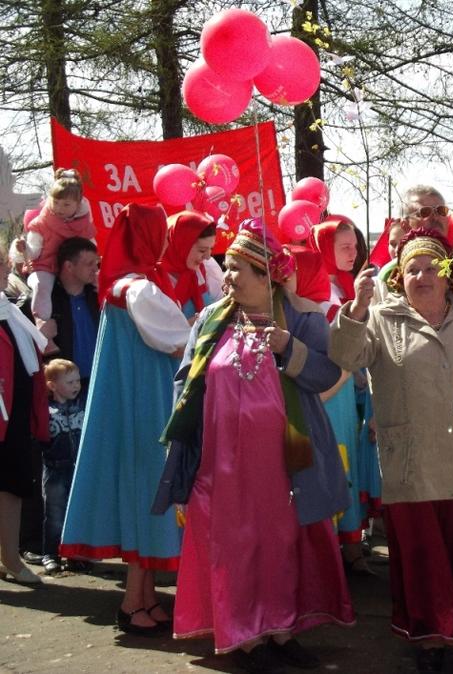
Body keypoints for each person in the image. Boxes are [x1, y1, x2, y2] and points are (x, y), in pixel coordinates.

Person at [154, 218, 354, 672]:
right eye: (225, 266)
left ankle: (281, 632)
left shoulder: (302, 317)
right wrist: (181, 444)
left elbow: (327, 374)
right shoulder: (209, 318)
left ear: (267, 277)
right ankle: (246, 637)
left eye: (237, 268)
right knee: (236, 546)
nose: (226, 277)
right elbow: (186, 381)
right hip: (220, 463)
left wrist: (290, 349)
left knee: (282, 544)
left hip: (286, 463)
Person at [330, 228, 453, 672]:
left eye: (430, 268)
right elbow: (344, 356)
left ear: (450, 274)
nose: (422, 276)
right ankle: (428, 637)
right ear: (398, 277)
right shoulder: (381, 318)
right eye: (411, 269)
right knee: (422, 557)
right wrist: (358, 307)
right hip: (411, 462)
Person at [60, 203, 193, 636]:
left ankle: (144, 598)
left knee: (144, 498)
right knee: (147, 498)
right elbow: (179, 342)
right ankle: (133, 601)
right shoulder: (139, 289)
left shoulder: (124, 285)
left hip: (131, 400)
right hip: (146, 402)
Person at [308, 215, 381, 575]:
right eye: (345, 247)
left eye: (355, 246)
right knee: (333, 462)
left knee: (347, 460)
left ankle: (351, 547)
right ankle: (332, 550)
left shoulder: (348, 284)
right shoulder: (316, 289)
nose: (354, 253)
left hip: (348, 389)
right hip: (328, 387)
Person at [0, 244, 49, 586]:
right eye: (1, 264)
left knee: (12, 485)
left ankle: (9, 557)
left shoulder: (8, 309)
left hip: (12, 414)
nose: (6, 268)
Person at [21, 169, 96, 328]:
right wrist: (23, 249)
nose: (59, 208)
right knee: (42, 287)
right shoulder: (42, 223)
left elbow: (92, 246)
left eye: (66, 204)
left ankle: (106, 312)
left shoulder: (84, 224)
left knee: (100, 279)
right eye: (55, 202)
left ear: (78, 203)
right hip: (45, 265)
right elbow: (33, 252)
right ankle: (42, 324)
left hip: (72, 270)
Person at [39, 358, 83, 575]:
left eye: (77, 381)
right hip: (55, 469)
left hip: (76, 469)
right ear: (52, 386)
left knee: (75, 512)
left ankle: (73, 553)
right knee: (54, 514)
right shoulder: (46, 412)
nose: (76, 386)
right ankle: (50, 554)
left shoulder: (81, 408)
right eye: (70, 382)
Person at [46, 237, 100, 387]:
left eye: (96, 263)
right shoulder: (45, 303)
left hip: (102, 382)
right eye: (89, 264)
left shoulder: (98, 295)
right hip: (66, 392)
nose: (95, 269)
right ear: (69, 266)